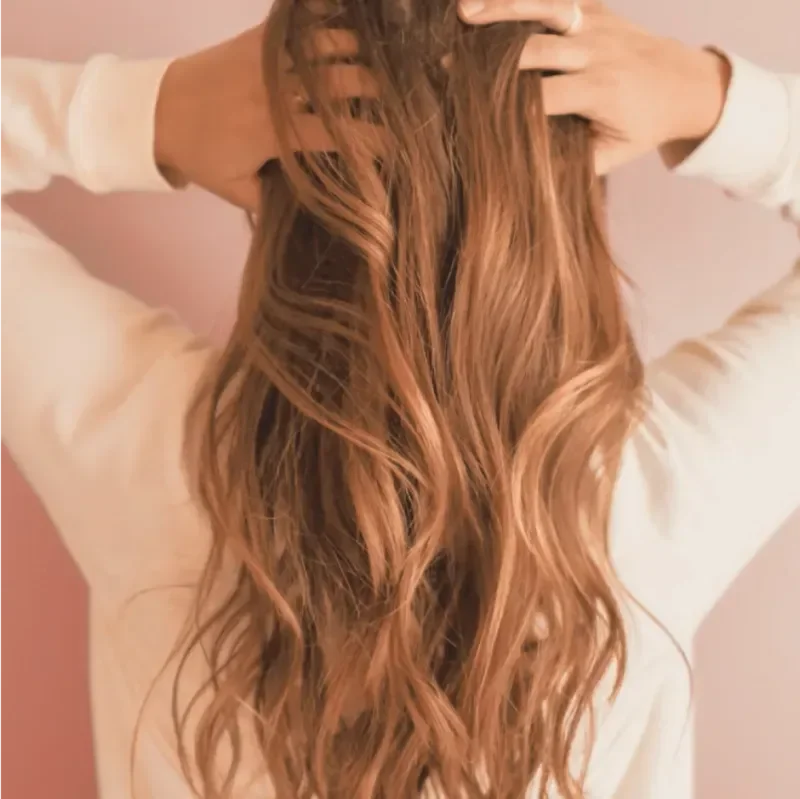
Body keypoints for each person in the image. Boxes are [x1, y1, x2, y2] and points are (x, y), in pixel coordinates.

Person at [0, 0, 797, 797]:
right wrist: (705, 98)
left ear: (282, 181)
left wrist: (152, 113)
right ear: (566, 209)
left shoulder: (155, 454)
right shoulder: (656, 494)